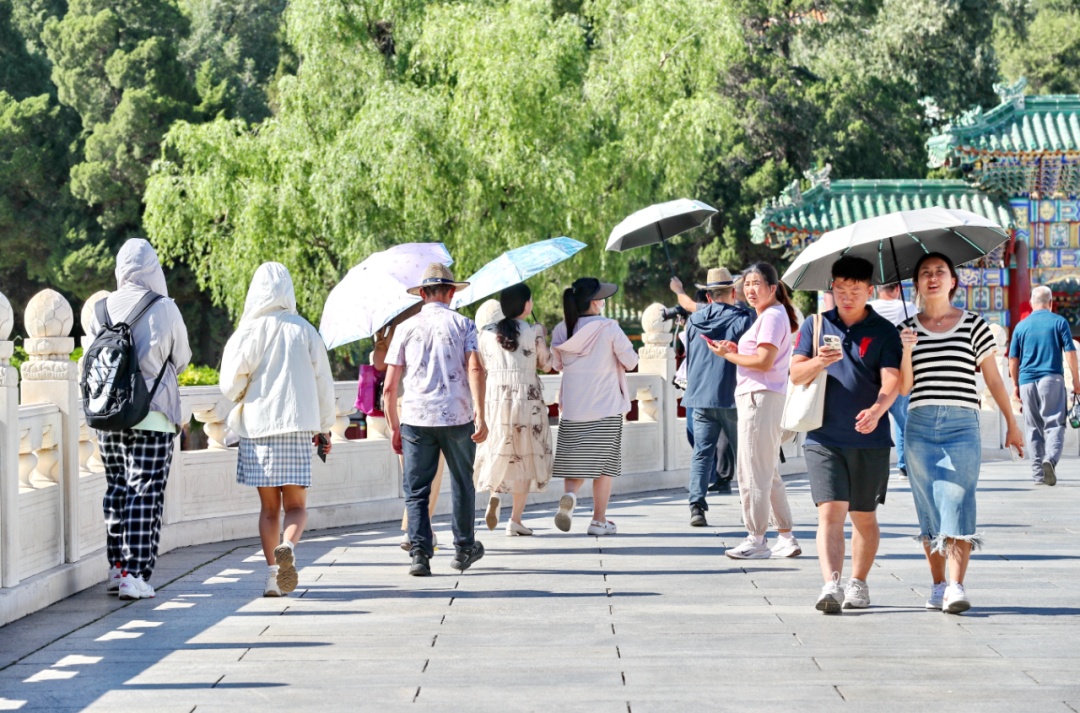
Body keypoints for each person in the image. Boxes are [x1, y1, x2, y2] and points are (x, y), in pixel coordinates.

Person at [899, 252, 1024, 614]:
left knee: (957, 500)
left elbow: (993, 378)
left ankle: (956, 585)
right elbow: (905, 388)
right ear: (917, 284)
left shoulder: (974, 325)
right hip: (919, 425)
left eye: (940, 272)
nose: (933, 278)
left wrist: (1012, 423)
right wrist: (906, 350)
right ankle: (937, 585)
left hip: (961, 425)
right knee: (929, 511)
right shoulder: (906, 329)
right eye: (925, 273)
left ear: (953, 281)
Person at [790, 257, 902, 613]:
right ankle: (831, 584)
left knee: (863, 516)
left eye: (855, 290)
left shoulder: (884, 330)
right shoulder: (816, 324)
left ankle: (859, 582)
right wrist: (820, 361)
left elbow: (892, 379)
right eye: (840, 289)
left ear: (870, 291)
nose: (847, 296)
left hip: (870, 438)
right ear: (832, 289)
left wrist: (877, 409)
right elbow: (795, 374)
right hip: (823, 436)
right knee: (830, 513)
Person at [219, 263, 336, 597]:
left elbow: (229, 384)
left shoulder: (248, 332)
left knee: (269, 510)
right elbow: (323, 385)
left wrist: (246, 390)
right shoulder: (305, 331)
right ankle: (288, 545)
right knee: (296, 507)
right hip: (297, 429)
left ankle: (273, 575)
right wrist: (325, 428)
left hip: (257, 430)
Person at [91, 238, 192, 600]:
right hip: (153, 414)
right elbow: (182, 358)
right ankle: (136, 574)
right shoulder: (164, 308)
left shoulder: (99, 309)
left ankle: (117, 568)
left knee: (118, 488)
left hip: (110, 416)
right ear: (153, 268)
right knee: (145, 490)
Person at [384, 264, 488, 576]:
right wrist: (480, 414)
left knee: (416, 489)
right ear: (451, 292)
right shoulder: (464, 324)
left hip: (415, 418)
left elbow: (389, 387)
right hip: (457, 416)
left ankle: (420, 554)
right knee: (461, 482)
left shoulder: (405, 328)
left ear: (423, 294)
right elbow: (475, 369)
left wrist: (393, 426)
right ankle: (464, 547)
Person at [707, 263, 801, 559]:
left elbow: (763, 362)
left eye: (756, 283)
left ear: (773, 288)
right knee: (766, 471)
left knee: (751, 472)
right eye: (746, 284)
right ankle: (785, 536)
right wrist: (736, 350)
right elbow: (761, 357)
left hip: (759, 398)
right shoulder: (771, 316)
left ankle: (756, 538)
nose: (750, 289)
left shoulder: (772, 316)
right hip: (763, 396)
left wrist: (730, 355)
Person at [550, 277, 638, 535]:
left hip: (574, 409)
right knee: (603, 466)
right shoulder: (609, 328)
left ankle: (570, 496)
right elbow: (631, 361)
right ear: (594, 302)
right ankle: (599, 521)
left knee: (575, 463)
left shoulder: (561, 329)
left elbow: (557, 365)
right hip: (605, 406)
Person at [366, 303, 448, 551]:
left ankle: (420, 530)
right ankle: (416, 530)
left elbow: (380, 366)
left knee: (412, 472)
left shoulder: (394, 324)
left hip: (403, 403)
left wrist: (381, 339)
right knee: (432, 471)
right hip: (432, 402)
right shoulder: (437, 320)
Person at [473, 285, 553, 535]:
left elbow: (480, 367)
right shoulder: (532, 332)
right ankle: (515, 521)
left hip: (496, 402)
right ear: (526, 305)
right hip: (527, 402)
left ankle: (495, 495)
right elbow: (547, 365)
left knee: (501, 450)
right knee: (525, 458)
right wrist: (543, 338)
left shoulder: (485, 336)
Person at [682, 267, 753, 526]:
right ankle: (752, 509)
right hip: (732, 395)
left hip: (699, 395)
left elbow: (690, 358)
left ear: (709, 296)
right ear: (733, 292)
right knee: (744, 453)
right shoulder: (744, 318)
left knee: (702, 453)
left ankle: (696, 506)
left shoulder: (693, 320)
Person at [1009, 285, 1080, 486]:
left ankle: (1038, 474)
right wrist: (1076, 380)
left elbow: (1013, 360)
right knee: (1055, 423)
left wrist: (1015, 384)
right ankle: (1050, 459)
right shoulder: (1059, 322)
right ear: (1050, 303)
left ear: (1032, 303)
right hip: (1051, 379)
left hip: (1026, 381)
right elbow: (1070, 352)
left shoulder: (1021, 326)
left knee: (1033, 428)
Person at [868, 282, 917, 478]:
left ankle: (871, 463)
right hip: (898, 370)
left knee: (872, 416)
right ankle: (904, 463)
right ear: (897, 289)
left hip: (872, 371)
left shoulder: (870, 308)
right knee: (903, 419)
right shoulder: (908, 307)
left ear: (878, 290)